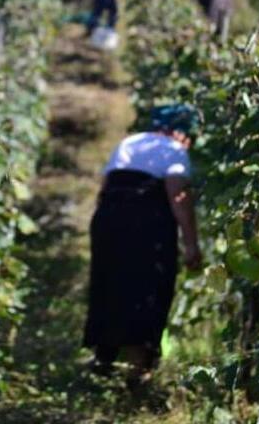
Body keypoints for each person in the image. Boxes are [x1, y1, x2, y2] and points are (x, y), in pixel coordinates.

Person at [83, 104, 202, 382]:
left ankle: (104, 360)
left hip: (109, 220)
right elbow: (177, 197)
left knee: (109, 283)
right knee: (149, 287)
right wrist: (191, 244)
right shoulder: (174, 150)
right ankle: (139, 370)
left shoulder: (130, 142)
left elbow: (104, 190)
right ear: (179, 131)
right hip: (148, 225)